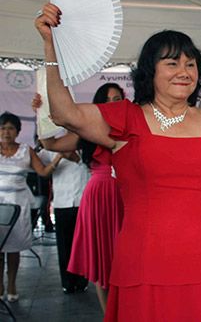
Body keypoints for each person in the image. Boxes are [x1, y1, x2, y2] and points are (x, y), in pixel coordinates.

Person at [36, 3, 201, 321]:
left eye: (191, 65)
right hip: (149, 262)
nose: (184, 71)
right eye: (172, 63)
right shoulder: (126, 118)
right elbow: (64, 113)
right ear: (150, 71)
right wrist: (49, 45)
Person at [33, 83, 125, 311]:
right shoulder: (87, 129)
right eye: (108, 99)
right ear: (98, 103)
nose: (113, 104)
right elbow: (49, 144)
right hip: (99, 195)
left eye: (118, 99)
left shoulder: (130, 126)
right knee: (103, 259)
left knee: (126, 258)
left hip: (127, 197)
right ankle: (109, 315)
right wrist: (41, 112)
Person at [0, 112, 62, 302]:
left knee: (13, 247)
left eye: (10, 128)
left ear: (18, 131)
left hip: (17, 206)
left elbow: (42, 172)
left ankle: (11, 284)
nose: (6, 132)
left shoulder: (26, 150)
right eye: (2, 128)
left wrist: (58, 158)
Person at [37, 147, 90, 294]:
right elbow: (38, 166)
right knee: (64, 245)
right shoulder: (51, 148)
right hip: (62, 201)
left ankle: (82, 280)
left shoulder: (88, 145)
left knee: (83, 245)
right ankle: (67, 282)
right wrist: (58, 157)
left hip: (84, 201)